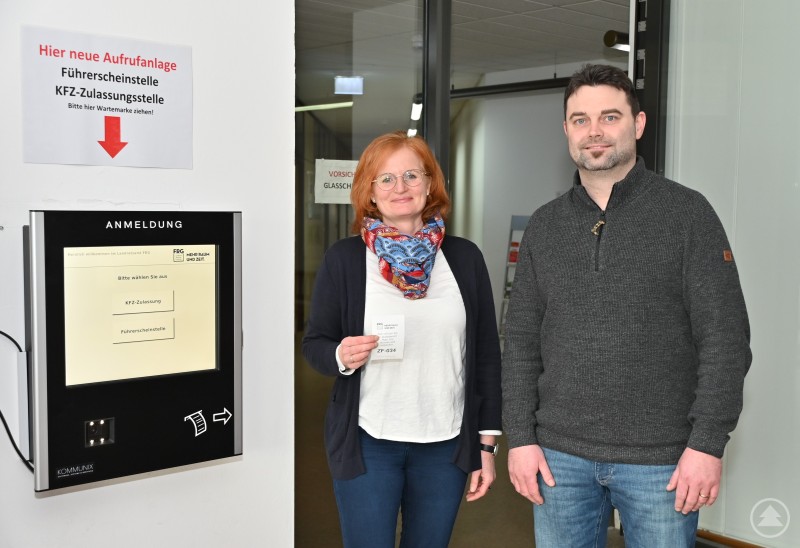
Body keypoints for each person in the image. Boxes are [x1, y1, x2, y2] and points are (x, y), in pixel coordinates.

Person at [501, 64, 752, 547]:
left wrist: (706, 444)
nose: (594, 131)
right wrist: (521, 438)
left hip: (662, 461)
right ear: (567, 131)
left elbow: (726, 339)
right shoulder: (545, 226)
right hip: (558, 459)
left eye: (609, 117)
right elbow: (521, 344)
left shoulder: (687, 215)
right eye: (580, 119)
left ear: (637, 124)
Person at [302, 130, 502, 548]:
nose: (400, 188)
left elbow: (485, 356)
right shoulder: (346, 258)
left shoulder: (465, 259)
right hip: (368, 440)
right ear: (370, 192)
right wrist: (340, 354)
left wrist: (487, 444)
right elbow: (315, 343)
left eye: (412, 175)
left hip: (445, 444)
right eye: (386, 179)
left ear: (430, 184)